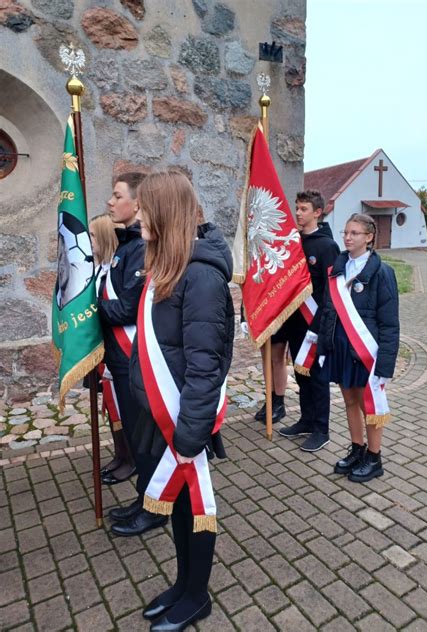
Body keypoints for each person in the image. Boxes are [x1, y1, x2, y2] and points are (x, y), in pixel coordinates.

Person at [128, 170, 234, 632]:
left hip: (184, 424)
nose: (138, 215)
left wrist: (189, 439)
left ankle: (196, 596)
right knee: (175, 506)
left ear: (165, 214)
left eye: (146, 208)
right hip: (161, 417)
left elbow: (205, 368)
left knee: (196, 511)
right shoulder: (165, 268)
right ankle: (181, 582)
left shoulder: (202, 279)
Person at [98, 172, 167, 536]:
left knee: (145, 441)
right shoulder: (126, 245)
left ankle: (154, 508)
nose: (110, 202)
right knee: (140, 442)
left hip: (133, 359)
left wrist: (89, 310)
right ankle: (144, 499)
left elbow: (126, 309)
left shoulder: (139, 248)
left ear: (137, 204)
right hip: (120, 360)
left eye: (116, 195)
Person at [316, 213, 399, 482]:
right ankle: (357, 449)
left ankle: (374, 458)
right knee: (350, 401)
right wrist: (323, 346)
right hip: (341, 350)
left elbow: (389, 324)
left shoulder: (383, 273)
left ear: (369, 237)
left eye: (355, 233)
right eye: (346, 232)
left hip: (366, 353)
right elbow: (329, 312)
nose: (348, 237)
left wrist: (385, 364)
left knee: (369, 404)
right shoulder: (337, 270)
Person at [278, 190, 340, 452]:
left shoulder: (327, 246)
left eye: (304, 209)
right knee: (300, 373)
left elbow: (331, 290)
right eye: (297, 208)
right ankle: (305, 420)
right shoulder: (293, 242)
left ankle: (321, 429)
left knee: (317, 377)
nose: (298, 213)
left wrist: (322, 325)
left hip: (315, 323)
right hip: (295, 320)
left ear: (317, 212)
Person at [89, 213, 135, 484]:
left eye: (94, 235)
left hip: (121, 349)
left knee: (122, 405)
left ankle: (131, 459)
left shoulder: (115, 271)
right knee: (111, 403)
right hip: (105, 351)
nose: (89, 240)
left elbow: (123, 309)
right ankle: (121, 454)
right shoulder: (100, 268)